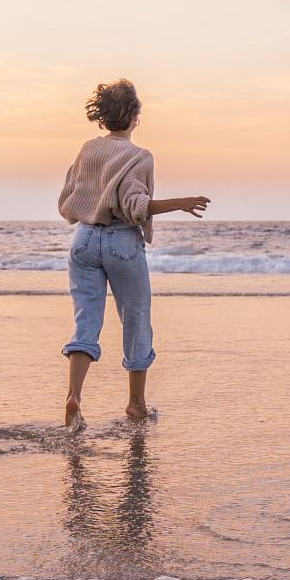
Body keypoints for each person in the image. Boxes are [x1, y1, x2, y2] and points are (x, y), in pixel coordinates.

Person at [58, 79, 211, 429]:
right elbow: (135, 208)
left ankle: (74, 398)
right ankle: (136, 405)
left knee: (86, 322)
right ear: (135, 116)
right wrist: (180, 203)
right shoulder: (139, 157)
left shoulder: (87, 150)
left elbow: (69, 199)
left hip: (82, 240)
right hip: (121, 242)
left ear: (103, 116)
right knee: (136, 321)